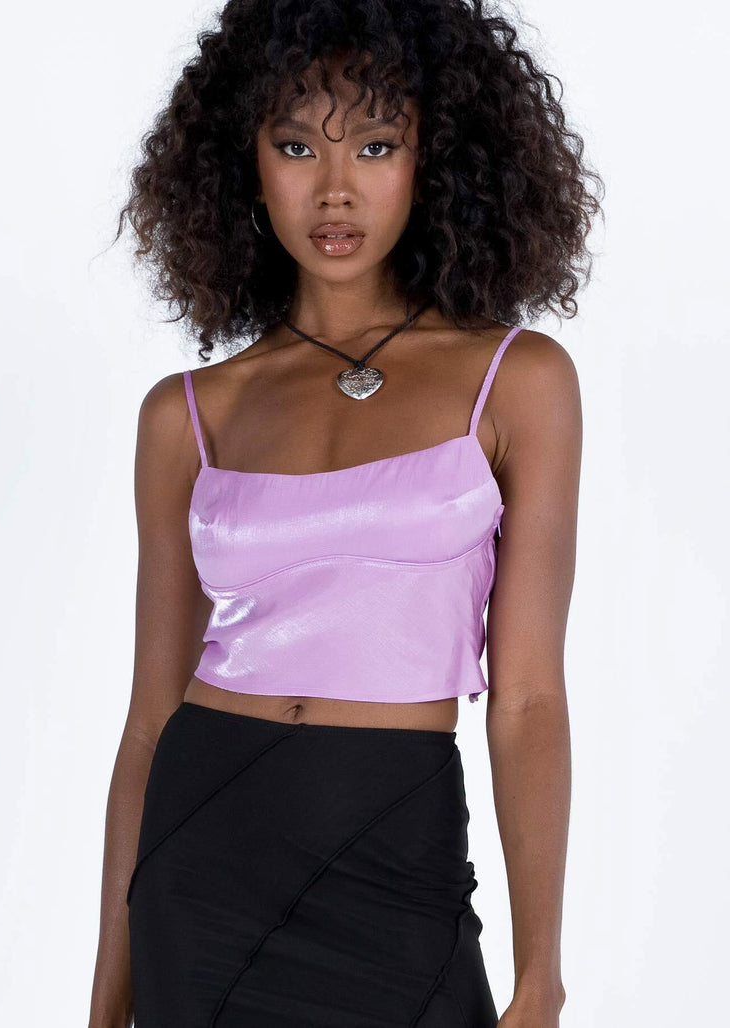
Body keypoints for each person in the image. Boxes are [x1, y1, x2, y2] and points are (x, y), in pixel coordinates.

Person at [88, 1, 601, 1025]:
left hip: (395, 849)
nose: (334, 189)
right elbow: (148, 721)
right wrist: (106, 1001)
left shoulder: (517, 380)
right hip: (204, 862)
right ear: (245, 166)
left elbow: (527, 700)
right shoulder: (188, 414)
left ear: (432, 160)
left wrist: (540, 973)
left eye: (374, 145)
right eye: (295, 146)